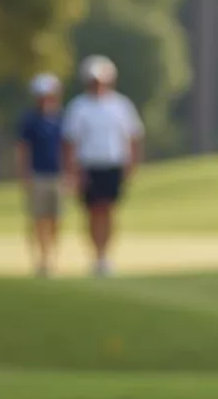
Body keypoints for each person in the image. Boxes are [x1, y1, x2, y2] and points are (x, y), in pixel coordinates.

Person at [61, 56, 144, 277]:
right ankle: (95, 255)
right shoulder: (79, 107)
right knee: (92, 212)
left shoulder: (121, 105)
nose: (98, 84)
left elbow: (133, 137)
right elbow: (70, 142)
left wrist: (132, 165)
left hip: (113, 163)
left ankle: (105, 256)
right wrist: (72, 172)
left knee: (109, 211)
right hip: (88, 165)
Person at [16, 73, 65, 277]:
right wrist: (23, 173)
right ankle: (42, 259)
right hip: (37, 174)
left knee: (55, 218)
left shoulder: (62, 118)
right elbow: (22, 149)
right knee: (38, 218)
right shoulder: (30, 120)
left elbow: (68, 148)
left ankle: (51, 254)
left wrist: (71, 173)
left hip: (58, 175)